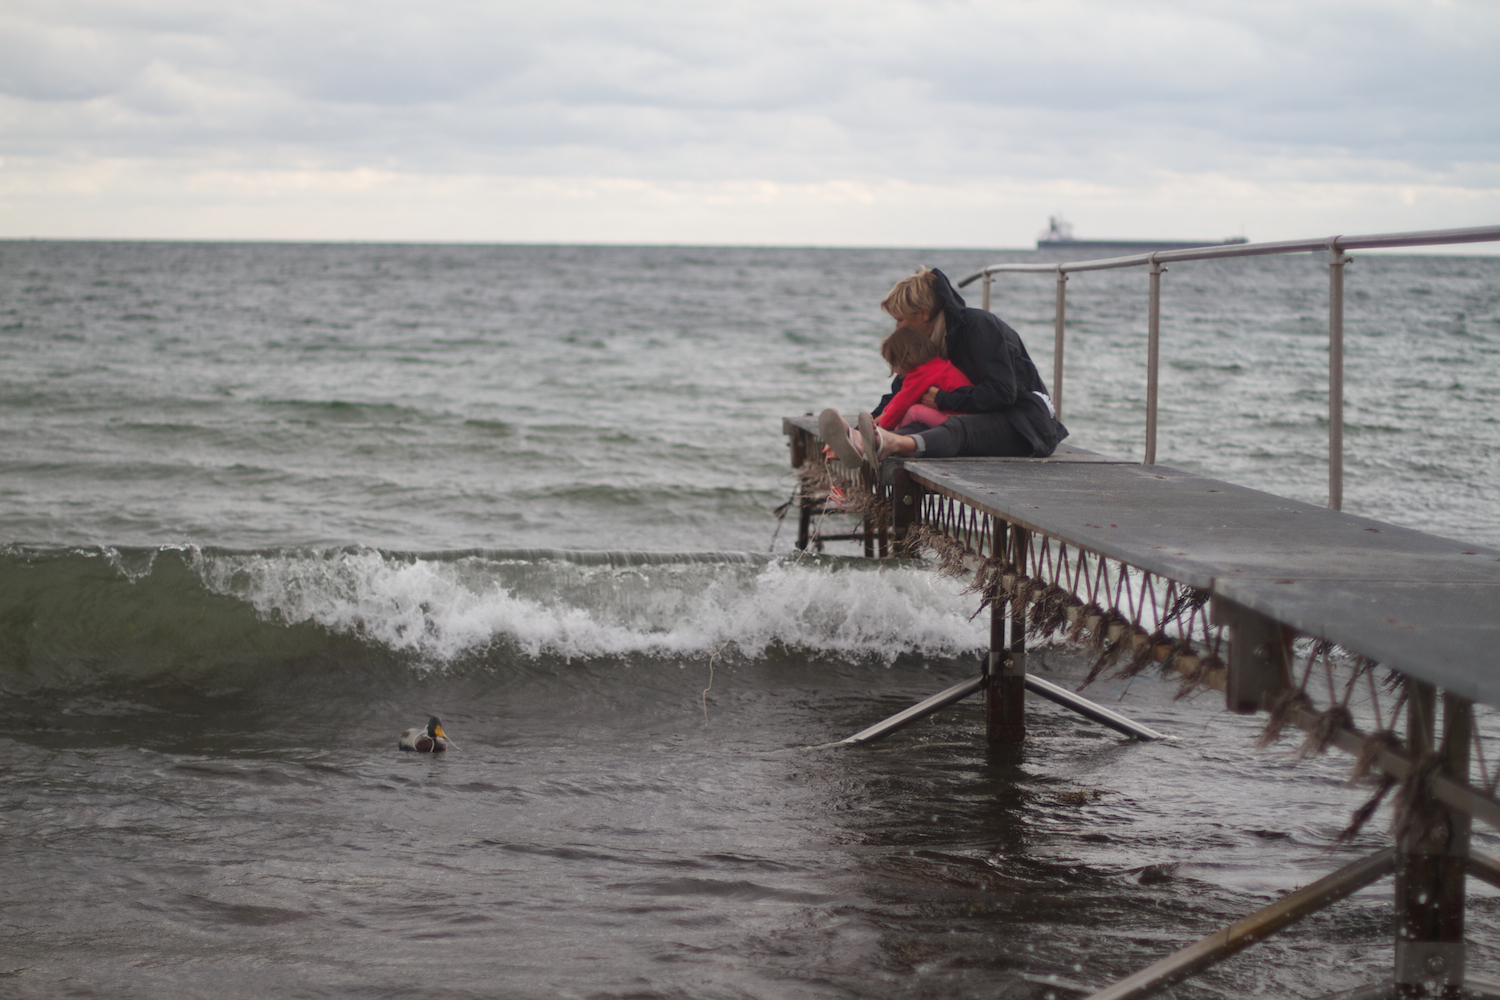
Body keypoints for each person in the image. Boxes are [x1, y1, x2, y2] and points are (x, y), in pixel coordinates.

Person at [820, 267, 1066, 468]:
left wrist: (943, 398)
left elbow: (1003, 393)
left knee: (958, 428)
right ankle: (863, 443)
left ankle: (891, 444)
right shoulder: (926, 344)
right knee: (914, 417)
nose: (898, 330)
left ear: (923, 314)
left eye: (900, 320)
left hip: (1023, 426)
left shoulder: (979, 327)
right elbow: (899, 396)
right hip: (978, 419)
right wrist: (856, 431)